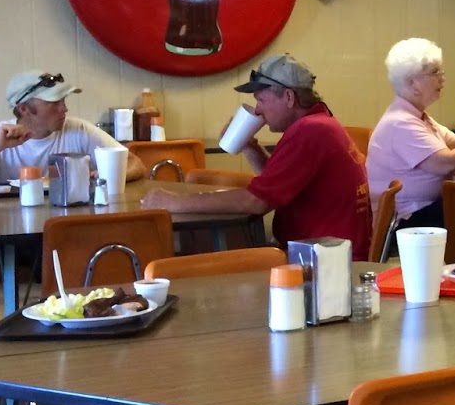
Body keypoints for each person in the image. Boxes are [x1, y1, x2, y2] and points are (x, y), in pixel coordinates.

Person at [142, 54, 371, 258]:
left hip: (327, 262)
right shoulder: (320, 123)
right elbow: (276, 187)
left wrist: (172, 201)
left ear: (289, 97)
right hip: (331, 252)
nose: (258, 110)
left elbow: (256, 202)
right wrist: (250, 146)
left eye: (261, 100)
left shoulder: (309, 132)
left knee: (219, 265)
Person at [366, 38, 455, 231]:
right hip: (404, 223)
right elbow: (443, 163)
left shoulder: (418, 117)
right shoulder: (400, 122)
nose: (442, 78)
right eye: (435, 72)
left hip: (421, 214)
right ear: (412, 82)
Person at [0, 71, 146, 184]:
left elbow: (135, 164)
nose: (64, 109)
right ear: (23, 109)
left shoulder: (79, 130)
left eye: (63, 101)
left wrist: (110, 175)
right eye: (54, 102)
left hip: (67, 220)